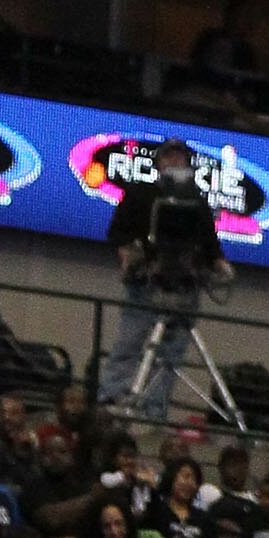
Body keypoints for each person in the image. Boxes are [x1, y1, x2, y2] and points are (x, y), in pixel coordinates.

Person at [100, 145, 222, 421]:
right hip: (145, 281)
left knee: (171, 353)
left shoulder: (198, 202)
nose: (175, 162)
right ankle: (112, 396)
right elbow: (117, 233)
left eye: (180, 158)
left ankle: (155, 409)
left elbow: (210, 244)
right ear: (159, 163)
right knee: (130, 340)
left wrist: (219, 266)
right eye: (169, 157)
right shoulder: (140, 194)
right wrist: (128, 255)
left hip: (184, 286)